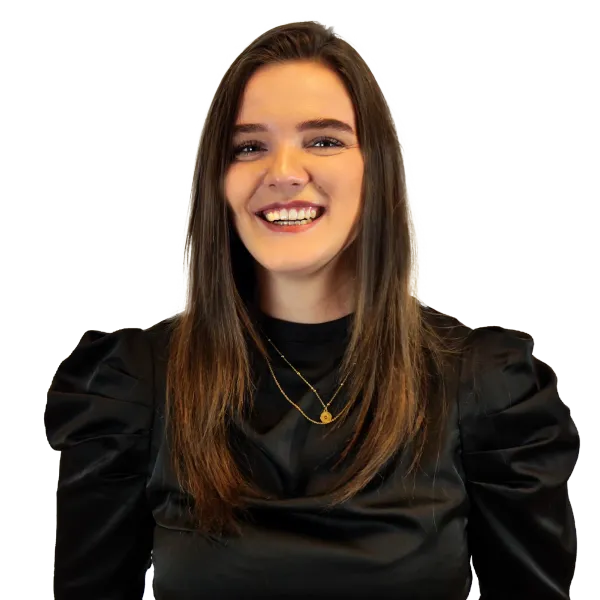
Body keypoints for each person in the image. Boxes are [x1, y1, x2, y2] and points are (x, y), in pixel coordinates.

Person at [44, 20, 579, 600]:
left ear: (376, 169)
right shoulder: (134, 385)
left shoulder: (486, 386)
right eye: (249, 147)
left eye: (323, 140)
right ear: (218, 182)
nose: (283, 173)